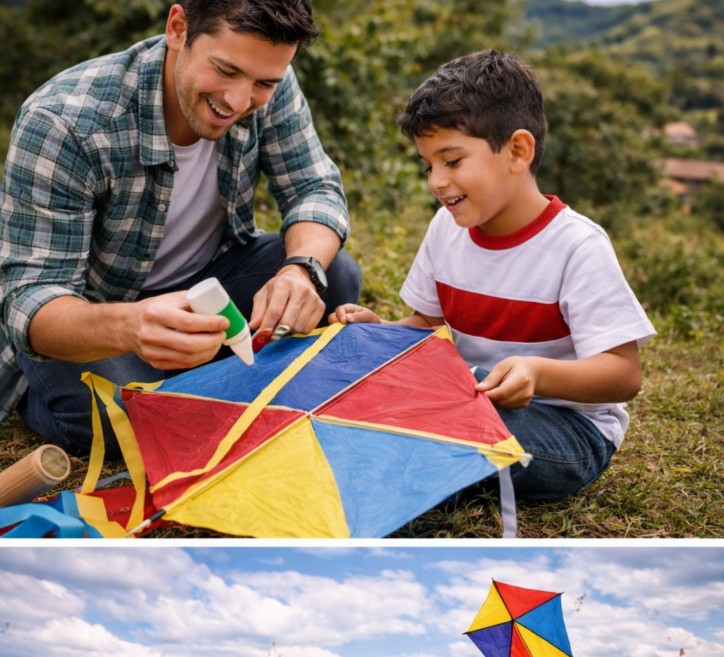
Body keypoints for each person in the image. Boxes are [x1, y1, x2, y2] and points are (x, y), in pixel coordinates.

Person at [0, 0, 361, 454]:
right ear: (178, 28)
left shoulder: (268, 80)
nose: (237, 101)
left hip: (207, 285)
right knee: (126, 416)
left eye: (263, 83)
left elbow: (315, 187)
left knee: (336, 275)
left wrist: (300, 269)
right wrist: (132, 326)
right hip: (97, 317)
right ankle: (43, 396)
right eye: (225, 70)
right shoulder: (63, 121)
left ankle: (188, 380)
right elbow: (30, 300)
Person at [332, 50, 655, 502]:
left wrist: (537, 374)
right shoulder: (446, 228)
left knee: (428, 425)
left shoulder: (576, 246)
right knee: (376, 394)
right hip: (467, 398)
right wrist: (379, 333)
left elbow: (624, 375)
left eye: (452, 160)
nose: (436, 182)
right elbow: (428, 329)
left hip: (565, 429)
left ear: (518, 151)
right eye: (429, 166)